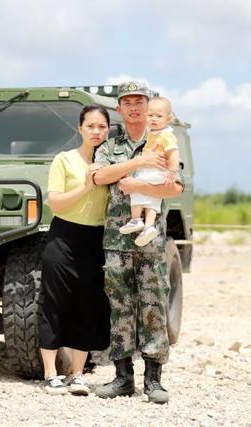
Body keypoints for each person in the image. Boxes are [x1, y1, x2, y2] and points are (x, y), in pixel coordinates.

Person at [92, 82, 184, 404]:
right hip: (117, 239)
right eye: (127, 102)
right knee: (119, 307)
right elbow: (99, 177)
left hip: (150, 240)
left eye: (139, 102)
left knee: (153, 306)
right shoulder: (110, 146)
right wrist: (136, 165)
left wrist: (140, 184)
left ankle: (154, 381)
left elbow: (176, 187)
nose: (134, 107)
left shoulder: (162, 141)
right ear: (119, 108)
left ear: (148, 107)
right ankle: (122, 378)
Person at [38, 104, 111, 396]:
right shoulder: (64, 160)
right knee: (53, 302)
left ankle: (78, 374)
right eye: (90, 126)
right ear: (79, 128)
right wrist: (87, 184)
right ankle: (50, 373)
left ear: (108, 130)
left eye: (102, 126)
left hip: (95, 237)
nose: (96, 131)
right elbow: (55, 203)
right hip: (63, 236)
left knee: (88, 303)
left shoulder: (111, 163)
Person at [118, 97, 179, 246]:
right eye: (151, 115)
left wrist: (172, 171)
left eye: (159, 116)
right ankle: (148, 226)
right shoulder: (153, 133)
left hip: (156, 171)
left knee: (135, 188)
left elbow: (174, 153)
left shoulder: (166, 135)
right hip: (154, 171)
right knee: (152, 200)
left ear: (168, 118)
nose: (154, 119)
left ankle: (136, 219)